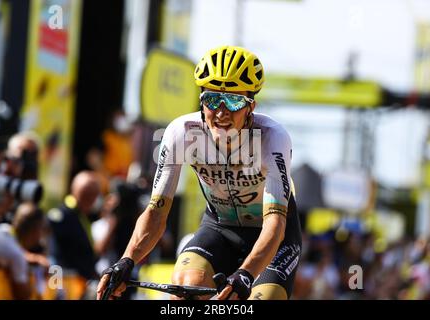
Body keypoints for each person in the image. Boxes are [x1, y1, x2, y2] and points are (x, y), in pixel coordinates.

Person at [97, 45, 302, 300]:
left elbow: (275, 224)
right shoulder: (182, 133)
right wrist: (127, 261)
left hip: (273, 238)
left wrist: (246, 275)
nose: (221, 112)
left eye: (234, 101)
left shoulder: (271, 138)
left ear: (251, 107)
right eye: (212, 99)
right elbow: (157, 212)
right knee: (186, 287)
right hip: (219, 227)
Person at [48, 171, 101, 280]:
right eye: (90, 195)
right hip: (64, 283)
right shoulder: (61, 216)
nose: (93, 200)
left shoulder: (81, 215)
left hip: (80, 283)